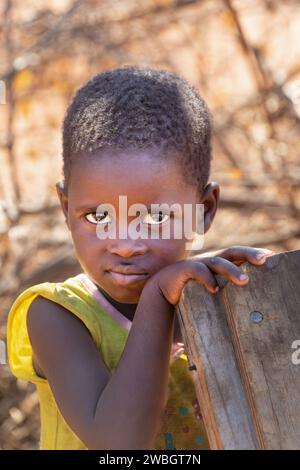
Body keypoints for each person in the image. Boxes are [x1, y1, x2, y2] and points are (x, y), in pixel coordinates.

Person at [7, 66, 273, 450]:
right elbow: (117, 446)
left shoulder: (220, 300)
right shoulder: (57, 314)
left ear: (204, 209)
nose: (126, 245)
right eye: (98, 217)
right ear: (66, 209)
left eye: (156, 218)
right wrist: (156, 299)